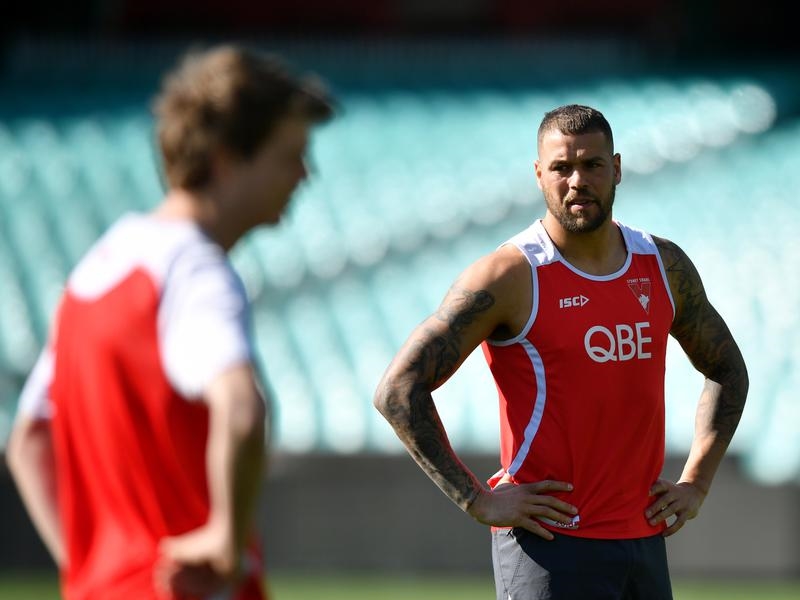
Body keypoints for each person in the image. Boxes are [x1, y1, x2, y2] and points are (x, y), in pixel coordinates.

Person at [373, 104, 748, 599]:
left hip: (643, 542)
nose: (577, 181)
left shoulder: (663, 265)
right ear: (538, 174)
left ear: (617, 168)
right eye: (561, 167)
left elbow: (726, 368)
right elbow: (398, 390)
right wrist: (476, 499)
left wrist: (696, 482)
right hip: (548, 547)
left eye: (592, 165)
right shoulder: (510, 276)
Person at [7, 44, 334, 600]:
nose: (305, 174)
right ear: (226, 158)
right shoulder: (195, 270)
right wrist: (226, 538)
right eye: (290, 155)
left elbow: (28, 441)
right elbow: (242, 409)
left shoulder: (95, 270)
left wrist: (92, 571)